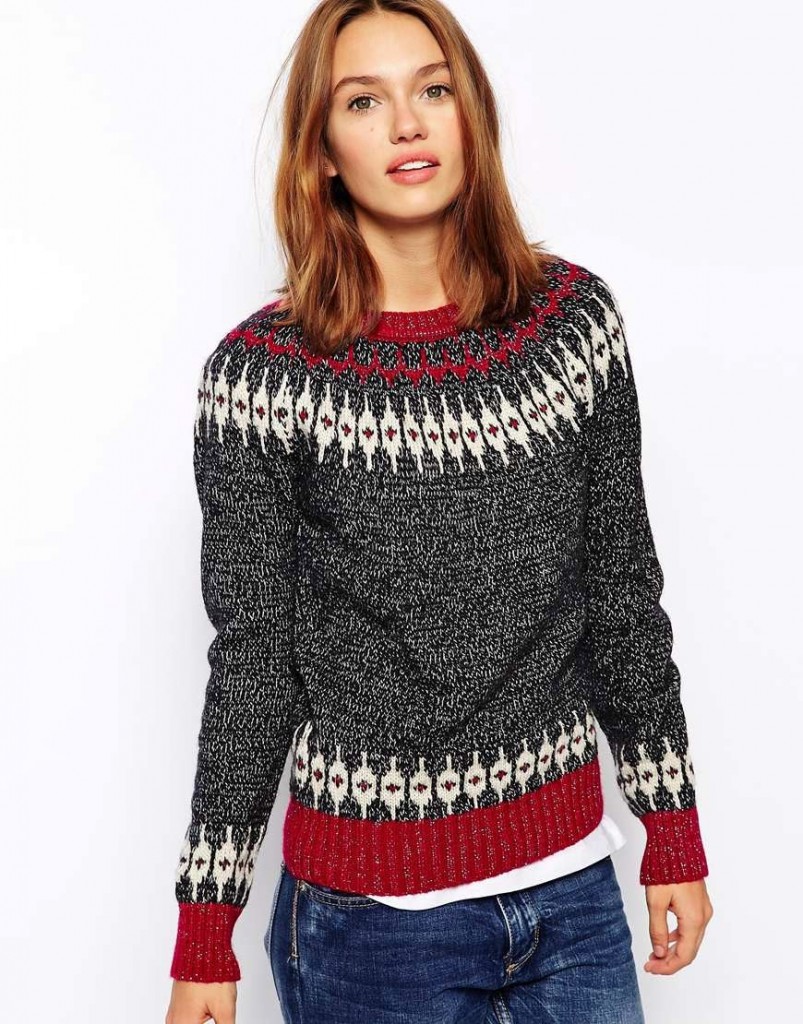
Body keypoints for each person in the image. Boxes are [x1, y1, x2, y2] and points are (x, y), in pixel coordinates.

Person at [165, 2, 714, 1022]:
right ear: (320, 150)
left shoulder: (572, 328)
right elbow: (253, 664)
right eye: (362, 102)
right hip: (370, 930)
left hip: (574, 898)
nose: (407, 124)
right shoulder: (262, 379)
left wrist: (669, 829)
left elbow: (621, 593)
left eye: (432, 89)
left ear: (472, 116)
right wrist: (206, 931)